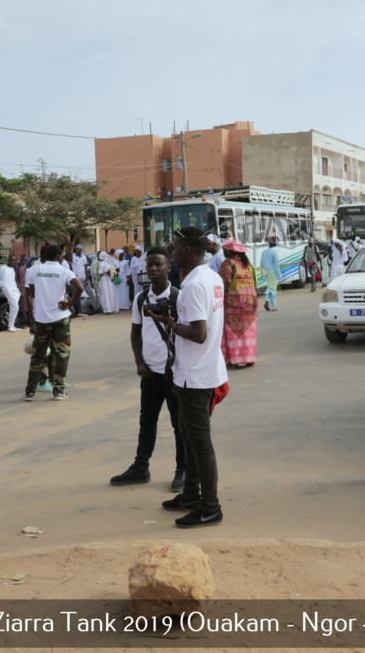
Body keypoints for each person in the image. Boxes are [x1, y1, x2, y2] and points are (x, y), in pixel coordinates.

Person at [152, 226, 229, 528]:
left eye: (175, 244)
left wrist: (168, 321)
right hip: (196, 371)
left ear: (188, 249)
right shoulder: (209, 276)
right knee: (189, 435)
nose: (170, 248)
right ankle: (190, 495)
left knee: (199, 442)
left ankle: (210, 507)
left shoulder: (196, 283)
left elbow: (198, 333)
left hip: (197, 375)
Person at [111, 246, 186, 492]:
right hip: (150, 373)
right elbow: (135, 332)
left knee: (179, 425)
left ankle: (182, 470)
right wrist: (139, 362)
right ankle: (141, 467)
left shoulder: (179, 297)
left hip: (174, 373)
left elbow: (187, 337)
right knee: (147, 422)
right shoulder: (141, 298)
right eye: (150, 265)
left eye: (158, 265)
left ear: (169, 268)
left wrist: (180, 370)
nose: (153, 269)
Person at [23, 245, 83, 401]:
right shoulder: (64, 271)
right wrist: (69, 304)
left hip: (41, 320)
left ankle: (30, 392)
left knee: (38, 355)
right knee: (61, 354)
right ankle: (58, 391)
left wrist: (31, 319)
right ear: (59, 257)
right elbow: (80, 287)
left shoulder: (34, 270)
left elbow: (28, 296)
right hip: (60, 318)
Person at [219, 238, 258, 367]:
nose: (223, 252)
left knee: (233, 332)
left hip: (233, 306)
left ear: (229, 251)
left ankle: (235, 360)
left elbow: (223, 283)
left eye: (224, 249)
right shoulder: (247, 264)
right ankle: (249, 358)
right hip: (250, 304)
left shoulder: (228, 263)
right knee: (248, 333)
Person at [0, 255, 21, 331]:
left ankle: (11, 325)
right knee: (15, 306)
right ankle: (10, 326)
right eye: (10, 260)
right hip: (7, 289)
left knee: (13, 307)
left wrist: (16, 288)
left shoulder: (12, 269)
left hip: (14, 289)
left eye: (14, 260)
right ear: (7, 260)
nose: (12, 262)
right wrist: (2, 285)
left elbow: (13, 280)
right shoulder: (3, 268)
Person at [71, 245, 96, 314]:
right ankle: (79, 310)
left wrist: (86, 276)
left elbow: (85, 267)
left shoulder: (84, 257)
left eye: (80, 249)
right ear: (75, 250)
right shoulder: (73, 257)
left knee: (90, 293)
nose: (79, 251)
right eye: (78, 249)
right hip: (77, 278)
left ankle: (95, 308)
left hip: (84, 278)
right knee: (78, 294)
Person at [260, 235, 282, 312]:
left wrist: (262, 273)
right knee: (272, 290)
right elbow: (276, 264)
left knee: (271, 288)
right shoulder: (274, 251)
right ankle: (268, 303)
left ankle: (273, 306)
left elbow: (261, 263)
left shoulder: (264, 251)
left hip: (266, 273)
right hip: (273, 273)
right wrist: (279, 274)